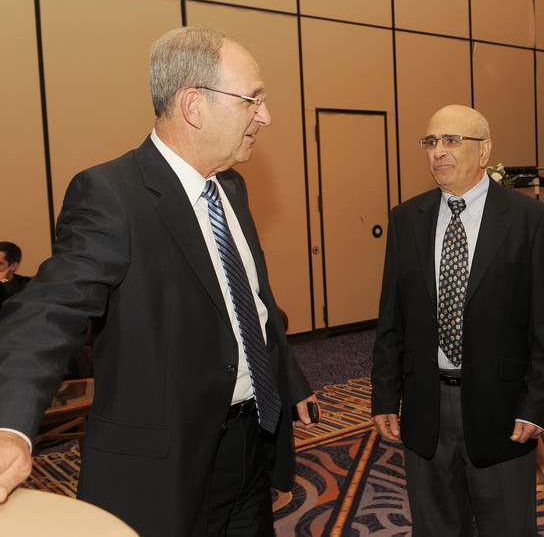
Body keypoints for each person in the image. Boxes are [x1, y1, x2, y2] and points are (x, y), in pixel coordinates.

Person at [0, 27, 319, 536]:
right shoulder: (111, 194)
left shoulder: (231, 187)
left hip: (250, 440)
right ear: (194, 105)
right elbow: (49, 309)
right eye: (252, 100)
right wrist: (9, 424)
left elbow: (251, 302)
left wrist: (290, 379)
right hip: (166, 464)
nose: (266, 116)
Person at [371, 105, 544, 536]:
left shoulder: (529, 218)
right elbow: (391, 317)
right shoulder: (406, 218)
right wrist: (384, 395)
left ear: (484, 151)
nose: (438, 151)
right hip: (425, 405)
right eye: (431, 141)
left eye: (452, 140)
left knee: (507, 528)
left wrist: (536, 405)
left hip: (502, 410)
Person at [0, 242, 31, 308]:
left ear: (13, 266)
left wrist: (3, 281)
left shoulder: (26, 284)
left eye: (0, 264)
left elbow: (17, 306)